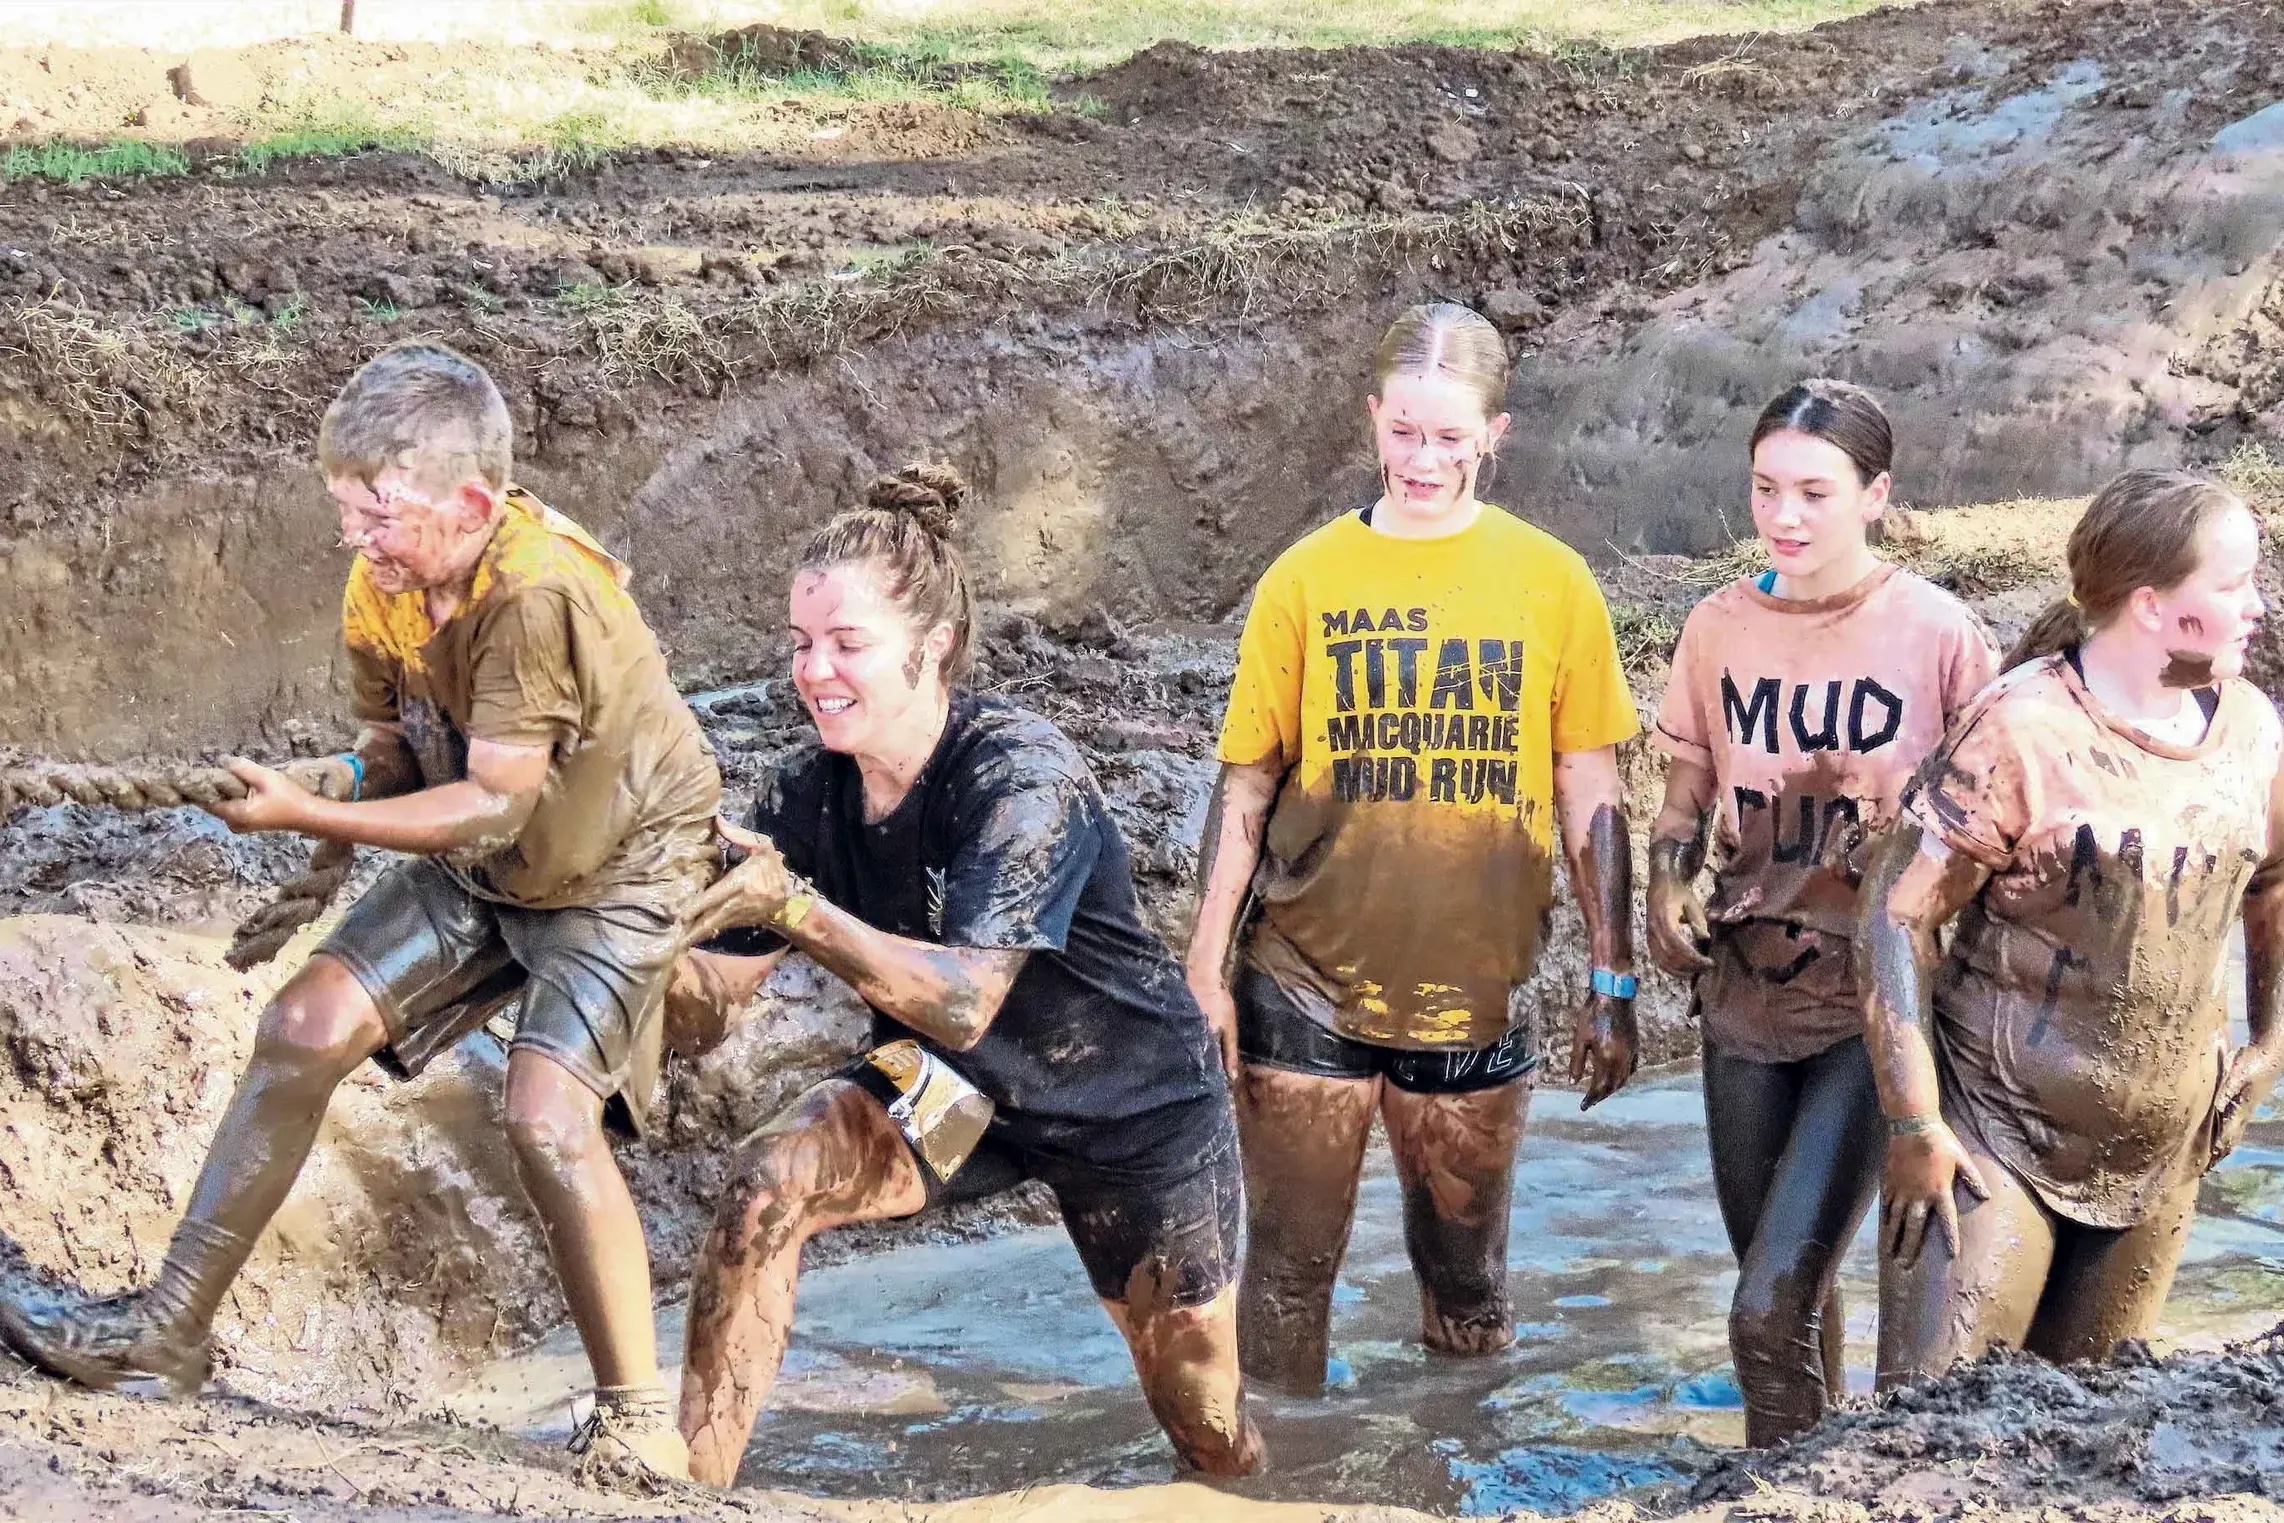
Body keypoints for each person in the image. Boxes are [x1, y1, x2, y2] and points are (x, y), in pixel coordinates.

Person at [0, 342, 720, 1482]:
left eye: (378, 515)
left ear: (472, 504)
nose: (357, 541)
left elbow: (490, 798)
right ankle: (166, 1332)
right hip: (495, 851)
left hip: (616, 864)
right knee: (301, 1025)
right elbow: (394, 760)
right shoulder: (385, 582)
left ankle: (638, 1417)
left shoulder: (534, 591)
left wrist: (303, 812)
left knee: (544, 1114)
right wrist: (319, 791)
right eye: (346, 513)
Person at [667, 465, 1260, 1487]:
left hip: (1132, 1110)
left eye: (847, 643)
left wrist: (794, 908)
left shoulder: (1018, 774)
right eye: (802, 643)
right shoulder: (806, 789)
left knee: (1204, 1427)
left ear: (933, 644)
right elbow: (706, 1010)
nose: (814, 671)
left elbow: (966, 995)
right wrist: (618, 935)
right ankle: (684, 1488)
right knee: (767, 1182)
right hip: (958, 1087)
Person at [1184, 302, 1642, 1395]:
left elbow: (1588, 784)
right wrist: (1203, 970)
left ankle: (1454, 1456)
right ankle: (1279, 1481)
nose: (1422, 459)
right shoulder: (1304, 578)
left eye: (1449, 435)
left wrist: (1610, 974)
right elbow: (1246, 777)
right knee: (1288, 1278)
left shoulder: (1552, 580)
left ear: (1497, 433)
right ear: (1371, 421)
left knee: (1470, 1285)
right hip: (1304, 975)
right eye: (1403, 431)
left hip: (1478, 985)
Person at [1861, 468, 2284, 1381]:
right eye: (2233, 584)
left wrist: (2270, 1041)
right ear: (2152, 606)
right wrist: (1911, 1122)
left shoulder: (2252, 730)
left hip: (2163, 1151)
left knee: (2084, 1440)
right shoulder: (2021, 728)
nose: (2256, 605)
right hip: (1992, 1134)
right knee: (1925, 1438)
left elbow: (2275, 883)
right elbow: (1893, 915)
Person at [1643, 380, 1999, 1446]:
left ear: (1875, 494)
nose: (1784, 517)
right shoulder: (1716, 625)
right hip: (1743, 993)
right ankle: (1815, 1470)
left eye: (1813, 491)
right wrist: (1666, 882)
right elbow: (1681, 799)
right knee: (1783, 1292)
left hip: (1875, 1004)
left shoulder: (1938, 631)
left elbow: (1991, 819)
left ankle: (1778, 1491)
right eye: (1764, 489)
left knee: (1763, 1304)